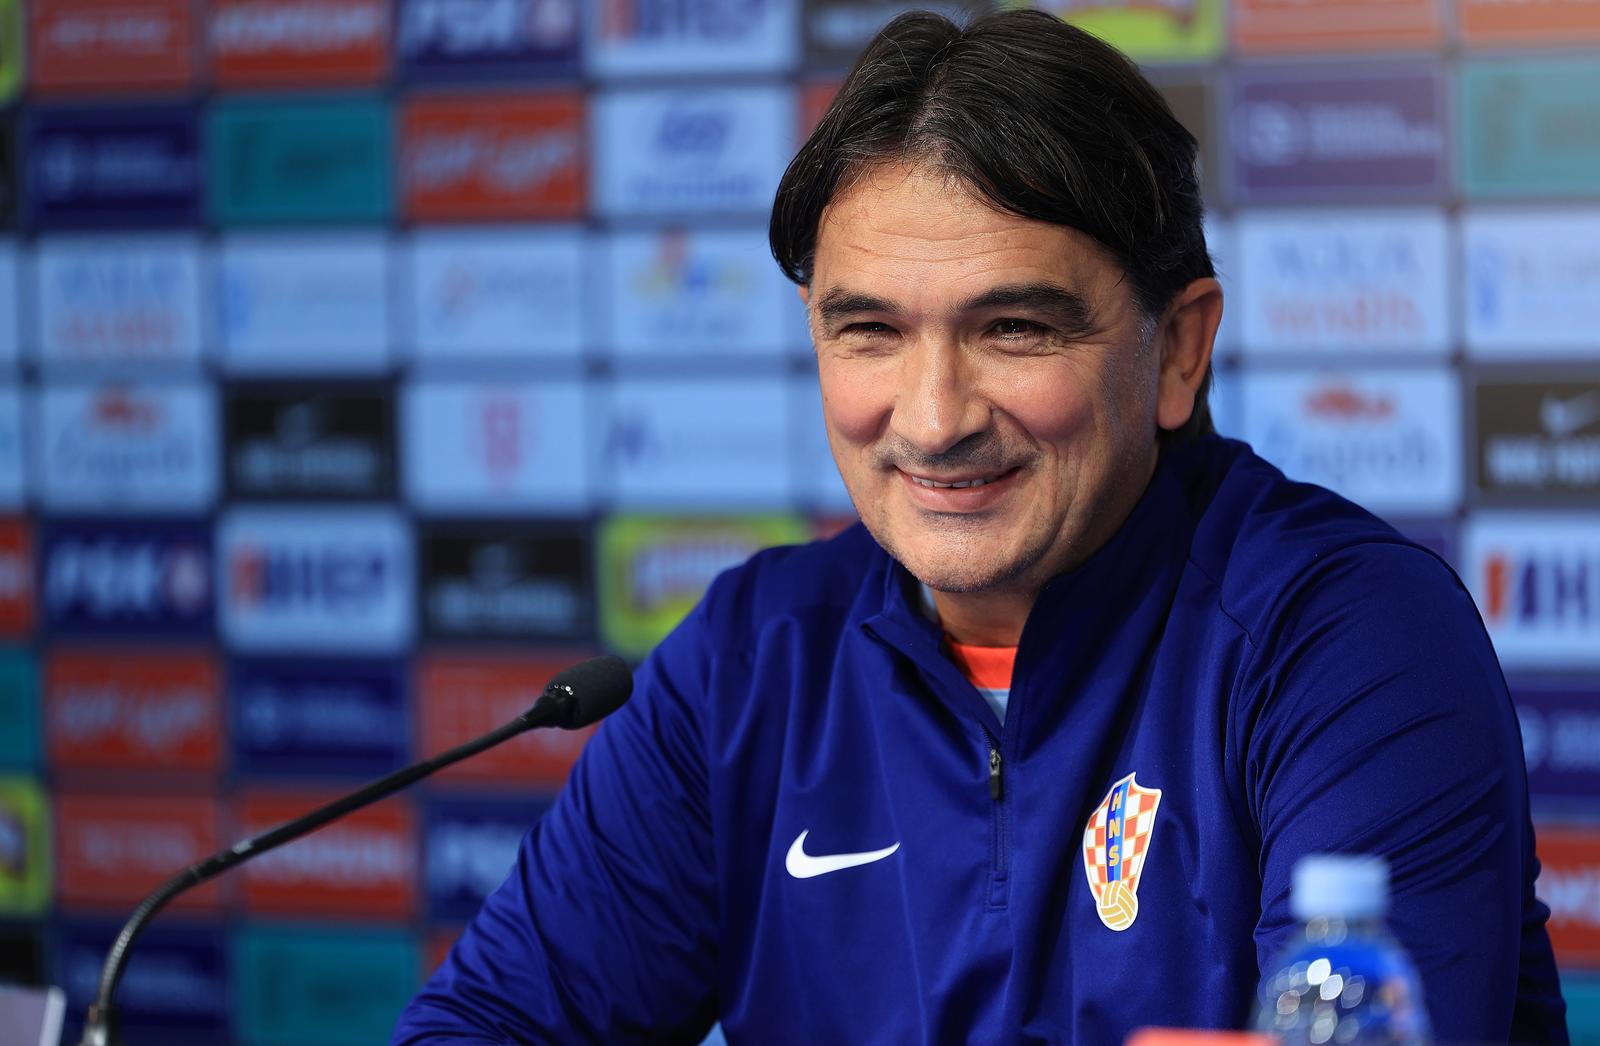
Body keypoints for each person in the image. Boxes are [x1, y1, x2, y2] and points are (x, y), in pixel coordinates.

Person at [394, 10, 1566, 1042]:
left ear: (1179, 349)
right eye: (870, 332)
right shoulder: (752, 657)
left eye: (1013, 328)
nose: (935, 417)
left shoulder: (1344, 637)